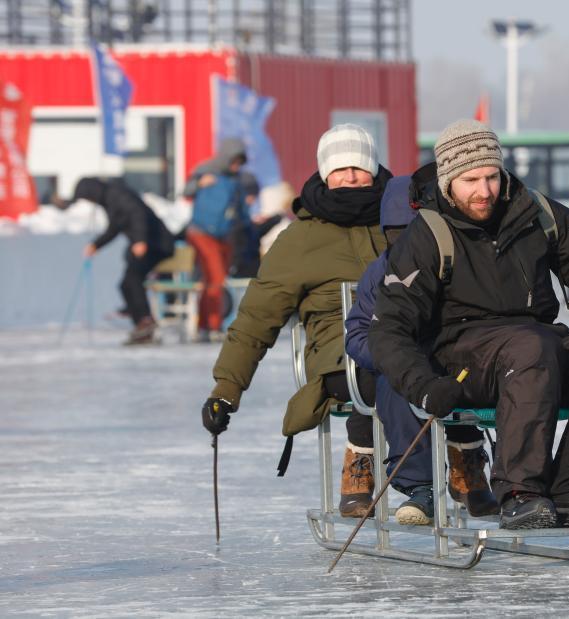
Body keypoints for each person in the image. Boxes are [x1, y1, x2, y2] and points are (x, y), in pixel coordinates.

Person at [369, 120, 569, 530]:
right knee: (530, 347)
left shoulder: (535, 212)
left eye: (492, 176)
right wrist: (424, 385)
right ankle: (519, 492)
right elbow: (389, 329)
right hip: (462, 361)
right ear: (448, 180)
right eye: (471, 179)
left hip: (536, 350)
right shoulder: (427, 236)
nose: (485, 190)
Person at [199, 124, 390, 518]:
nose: (350, 176)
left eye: (359, 166)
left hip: (405, 338)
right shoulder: (300, 238)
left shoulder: (401, 221)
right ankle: (359, 468)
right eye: (340, 168)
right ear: (324, 173)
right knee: (380, 371)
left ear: (374, 168)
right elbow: (257, 316)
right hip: (340, 356)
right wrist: (226, 389)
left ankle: (464, 468)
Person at [344, 166, 497, 525]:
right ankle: (419, 485)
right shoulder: (379, 272)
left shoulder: (457, 261)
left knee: (466, 375)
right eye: (397, 234)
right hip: (402, 363)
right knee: (395, 380)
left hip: (453, 356)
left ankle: (473, 468)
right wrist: (386, 355)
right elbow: (358, 331)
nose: (407, 243)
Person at [54, 177, 175, 345]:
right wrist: (96, 245)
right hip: (149, 244)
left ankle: (146, 321)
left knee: (132, 280)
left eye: (88, 197)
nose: (89, 202)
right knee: (126, 284)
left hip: (157, 244)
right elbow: (115, 227)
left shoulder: (117, 195)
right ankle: (142, 325)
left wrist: (140, 240)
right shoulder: (110, 200)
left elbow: (137, 212)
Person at [182, 138, 259, 341]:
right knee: (216, 278)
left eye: (240, 163)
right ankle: (214, 326)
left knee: (212, 281)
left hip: (224, 235)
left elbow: (241, 209)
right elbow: (186, 191)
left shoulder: (237, 181)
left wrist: (250, 224)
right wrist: (199, 183)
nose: (236, 166)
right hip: (201, 232)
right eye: (234, 161)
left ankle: (204, 325)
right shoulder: (206, 170)